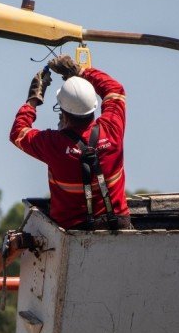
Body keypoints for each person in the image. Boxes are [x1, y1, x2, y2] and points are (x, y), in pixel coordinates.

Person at [9, 55, 132, 230]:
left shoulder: (53, 144)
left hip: (74, 230)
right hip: (118, 225)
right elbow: (115, 89)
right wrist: (80, 71)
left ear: (64, 113)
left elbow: (18, 133)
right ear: (94, 107)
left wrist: (33, 100)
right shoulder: (112, 129)